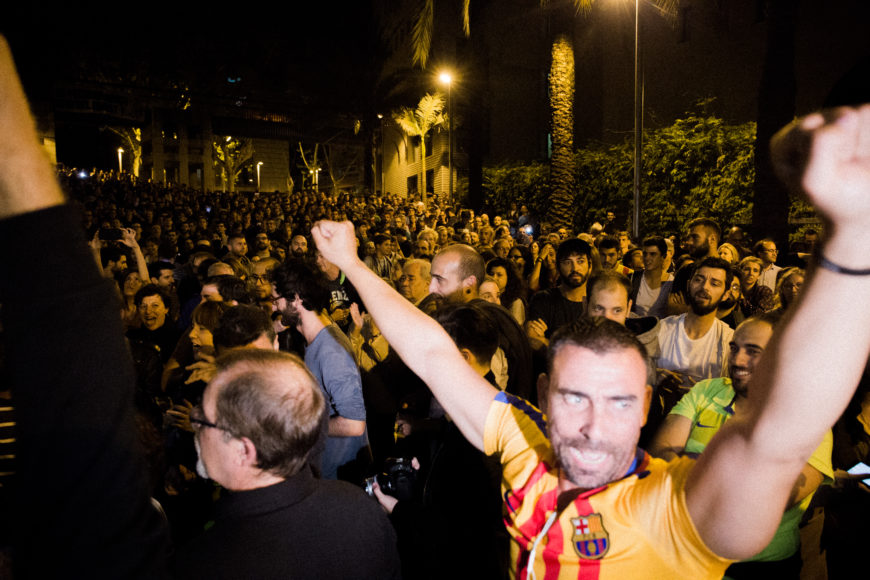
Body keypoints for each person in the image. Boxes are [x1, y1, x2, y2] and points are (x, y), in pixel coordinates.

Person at [309, 103, 870, 576]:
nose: (593, 426)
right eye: (575, 397)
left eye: (620, 402)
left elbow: (774, 437)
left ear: (648, 405)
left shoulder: (675, 507)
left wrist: (854, 236)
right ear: (545, 392)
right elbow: (433, 353)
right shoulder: (523, 443)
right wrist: (351, 264)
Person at [174, 350, 400, 578]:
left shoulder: (202, 563)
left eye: (202, 420)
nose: (195, 427)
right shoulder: (360, 508)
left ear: (243, 450)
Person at [650, 314, 833, 577]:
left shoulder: (809, 418)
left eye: (753, 351)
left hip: (757, 569)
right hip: (682, 556)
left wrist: (689, 464)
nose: (737, 360)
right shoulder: (706, 391)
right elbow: (659, 455)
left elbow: (769, 501)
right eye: (734, 347)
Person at [656, 257, 735, 387]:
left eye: (714, 284)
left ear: (726, 294)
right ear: (688, 285)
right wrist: (654, 377)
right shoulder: (661, 329)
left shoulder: (729, 342)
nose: (704, 287)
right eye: (698, 280)